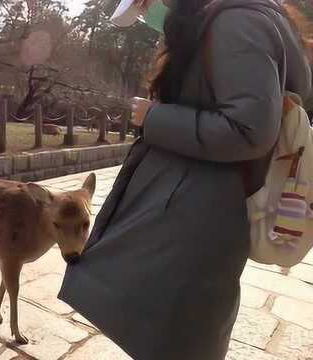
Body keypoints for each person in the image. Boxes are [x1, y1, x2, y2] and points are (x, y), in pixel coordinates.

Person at [58, 0, 312, 359]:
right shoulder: (220, 20)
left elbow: (250, 130)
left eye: (146, 5)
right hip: (194, 207)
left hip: (198, 214)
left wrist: (155, 117)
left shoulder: (235, 24)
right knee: (172, 328)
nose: (149, 15)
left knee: (180, 333)